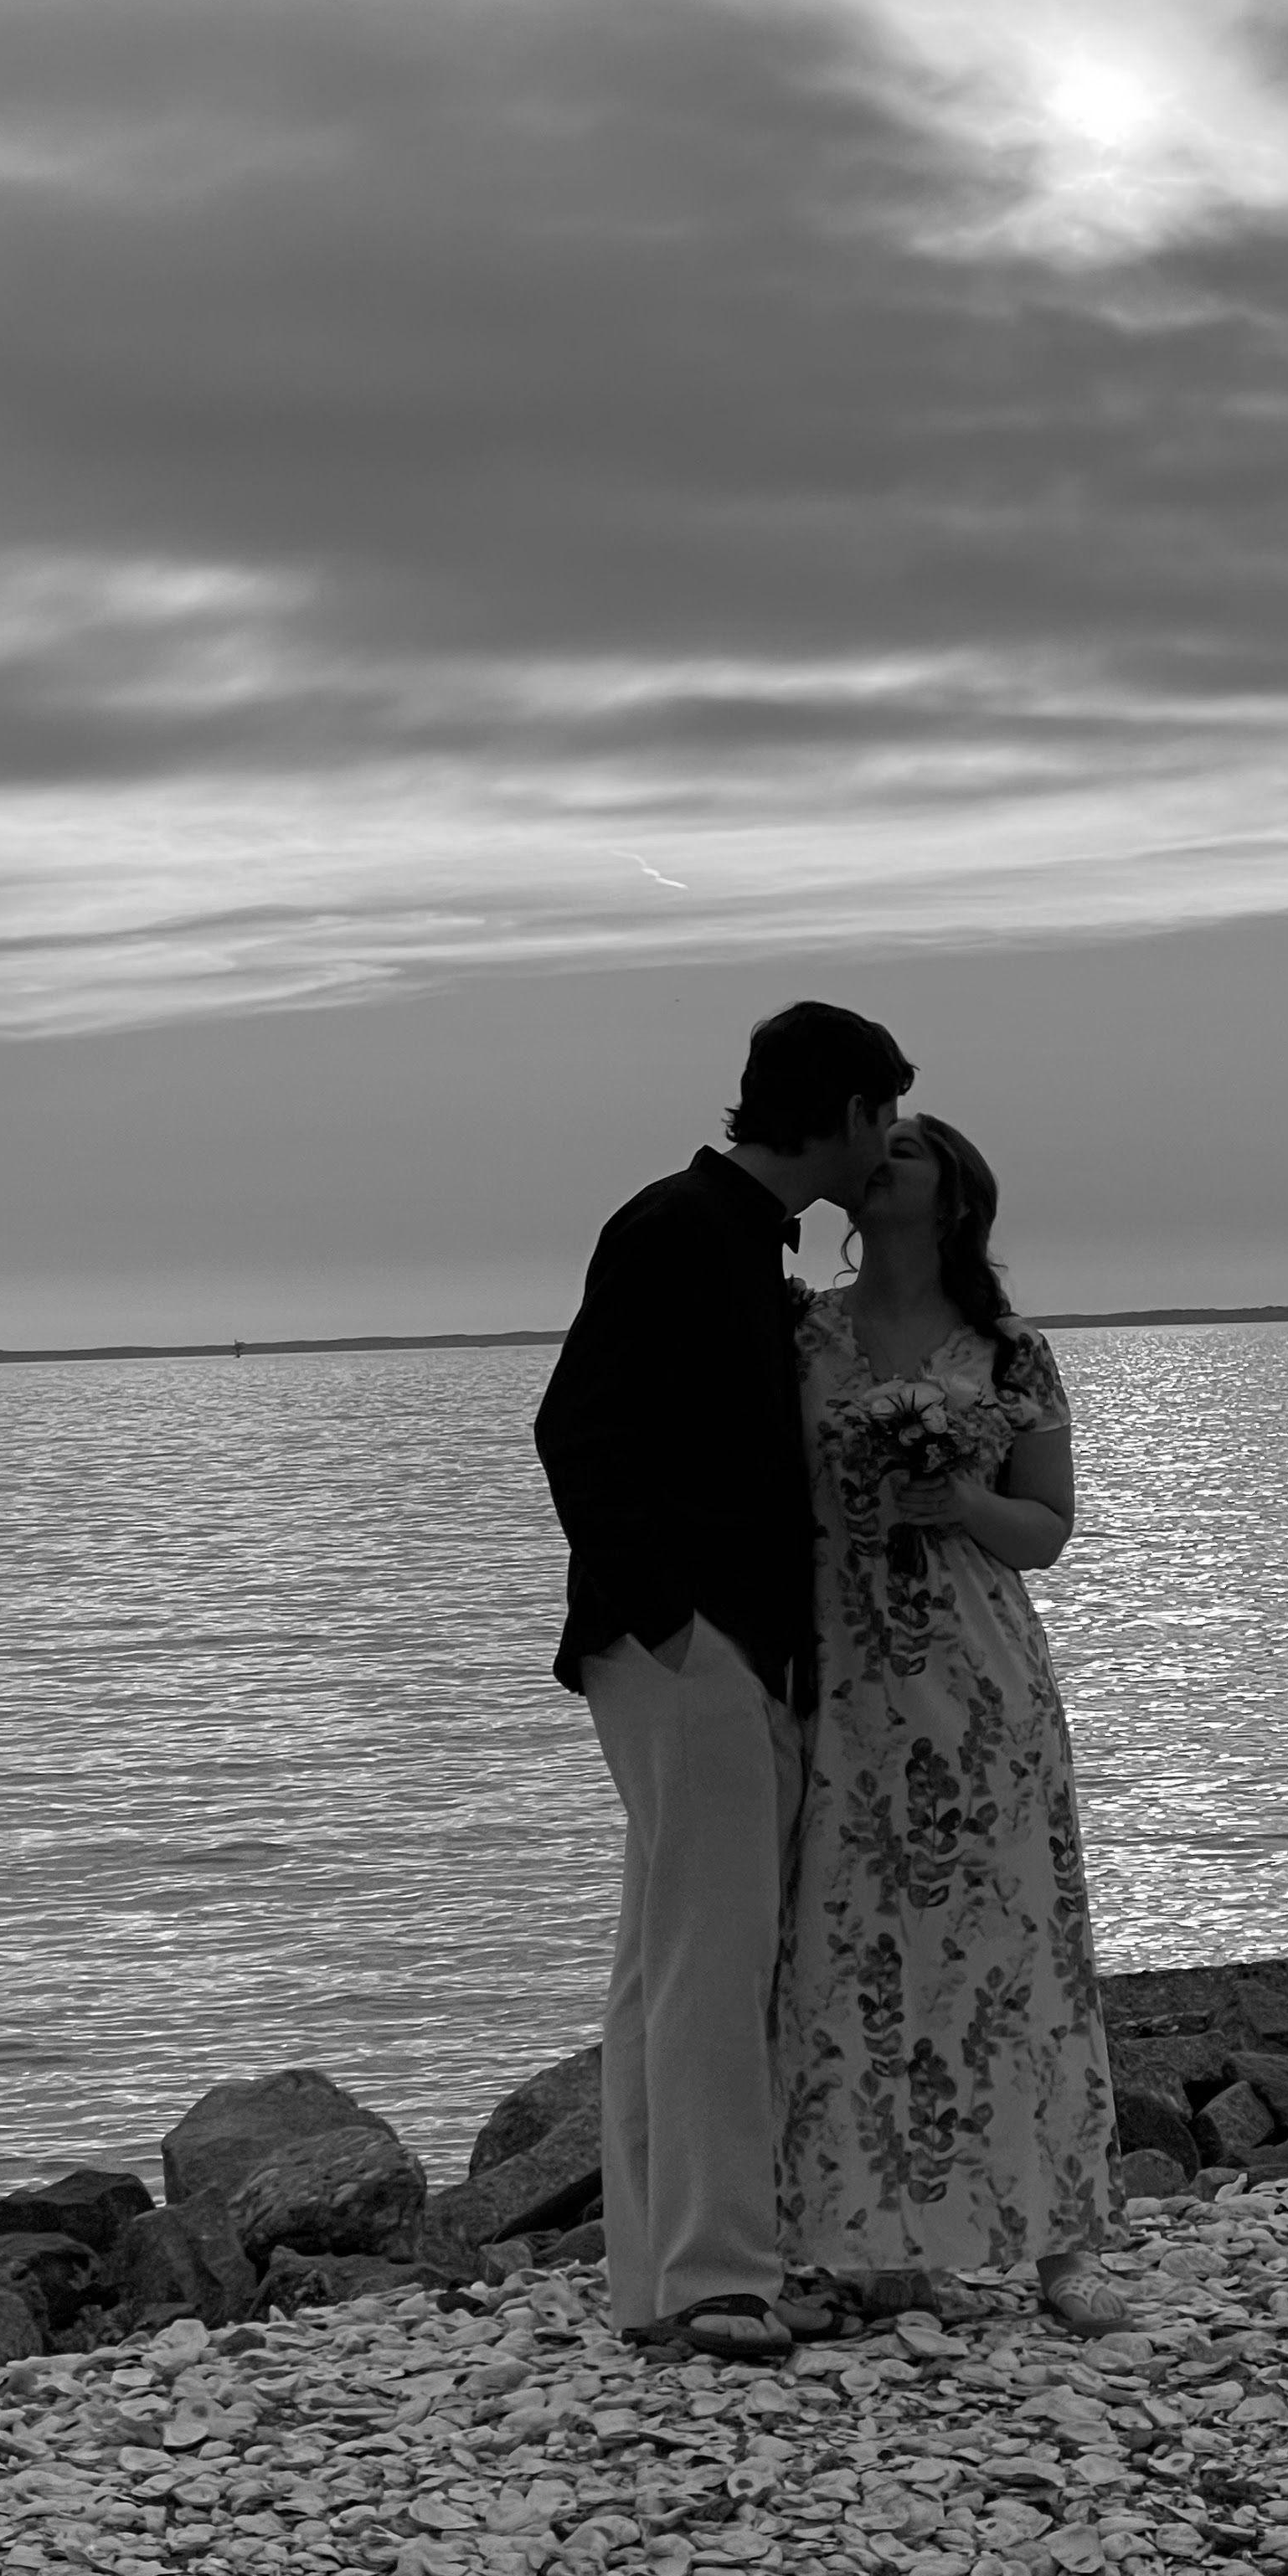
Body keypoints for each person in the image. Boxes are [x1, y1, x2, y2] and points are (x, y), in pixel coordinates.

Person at [533, 999, 915, 2364]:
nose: (893, 1140)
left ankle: (662, 2277)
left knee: (665, 1965)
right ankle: (719, 2277)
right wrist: (675, 1625)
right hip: (686, 1650)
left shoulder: (738, 1240)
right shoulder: (679, 1228)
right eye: (886, 1112)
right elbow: (577, 1430)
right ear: (847, 1112)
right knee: (713, 1962)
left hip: (713, 1648)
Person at [773, 1111, 1130, 2333]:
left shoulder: (1011, 1352)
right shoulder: (802, 1336)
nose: (880, 1156)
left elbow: (1049, 1529)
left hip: (982, 1685)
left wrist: (961, 1499)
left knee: (1018, 1944)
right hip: (845, 1677)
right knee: (855, 1952)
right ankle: (872, 2241)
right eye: (875, 1143)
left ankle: (1063, 2245)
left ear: (958, 1197)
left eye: (910, 1150)